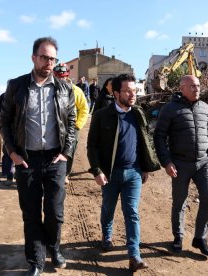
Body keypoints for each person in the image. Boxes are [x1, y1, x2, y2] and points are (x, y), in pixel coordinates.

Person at [0, 37, 76, 276]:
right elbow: (4, 122)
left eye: (52, 58)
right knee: (31, 213)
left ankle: (54, 248)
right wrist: (12, 153)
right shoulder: (17, 86)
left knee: (55, 211)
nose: (48, 63)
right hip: (26, 159)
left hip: (55, 159)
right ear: (33, 57)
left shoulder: (65, 89)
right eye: (44, 57)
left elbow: (72, 124)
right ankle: (36, 261)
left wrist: (66, 153)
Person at [87, 74, 160, 272]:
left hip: (134, 173)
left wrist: (145, 167)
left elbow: (144, 142)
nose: (132, 94)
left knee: (132, 213)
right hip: (110, 174)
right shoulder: (101, 115)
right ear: (116, 93)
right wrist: (97, 170)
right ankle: (107, 235)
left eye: (134, 91)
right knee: (108, 208)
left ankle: (134, 256)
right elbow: (92, 146)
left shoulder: (138, 113)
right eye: (128, 91)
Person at [153, 75, 208, 257]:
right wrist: (166, 161)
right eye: (192, 86)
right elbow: (159, 136)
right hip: (180, 164)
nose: (197, 89)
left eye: (198, 85)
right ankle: (178, 237)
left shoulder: (205, 108)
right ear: (182, 88)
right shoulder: (170, 109)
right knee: (180, 202)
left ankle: (200, 238)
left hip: (203, 163)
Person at [53, 63, 89, 184]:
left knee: (70, 150)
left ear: (67, 76)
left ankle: (65, 174)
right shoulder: (49, 88)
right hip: (55, 126)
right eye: (58, 76)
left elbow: (84, 109)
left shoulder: (76, 91)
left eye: (62, 76)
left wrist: (77, 125)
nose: (60, 79)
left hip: (72, 126)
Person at [0, 91, 14, 185]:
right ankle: (9, 176)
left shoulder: (24, 93)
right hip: (7, 129)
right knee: (8, 152)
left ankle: (20, 176)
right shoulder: (4, 96)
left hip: (21, 130)